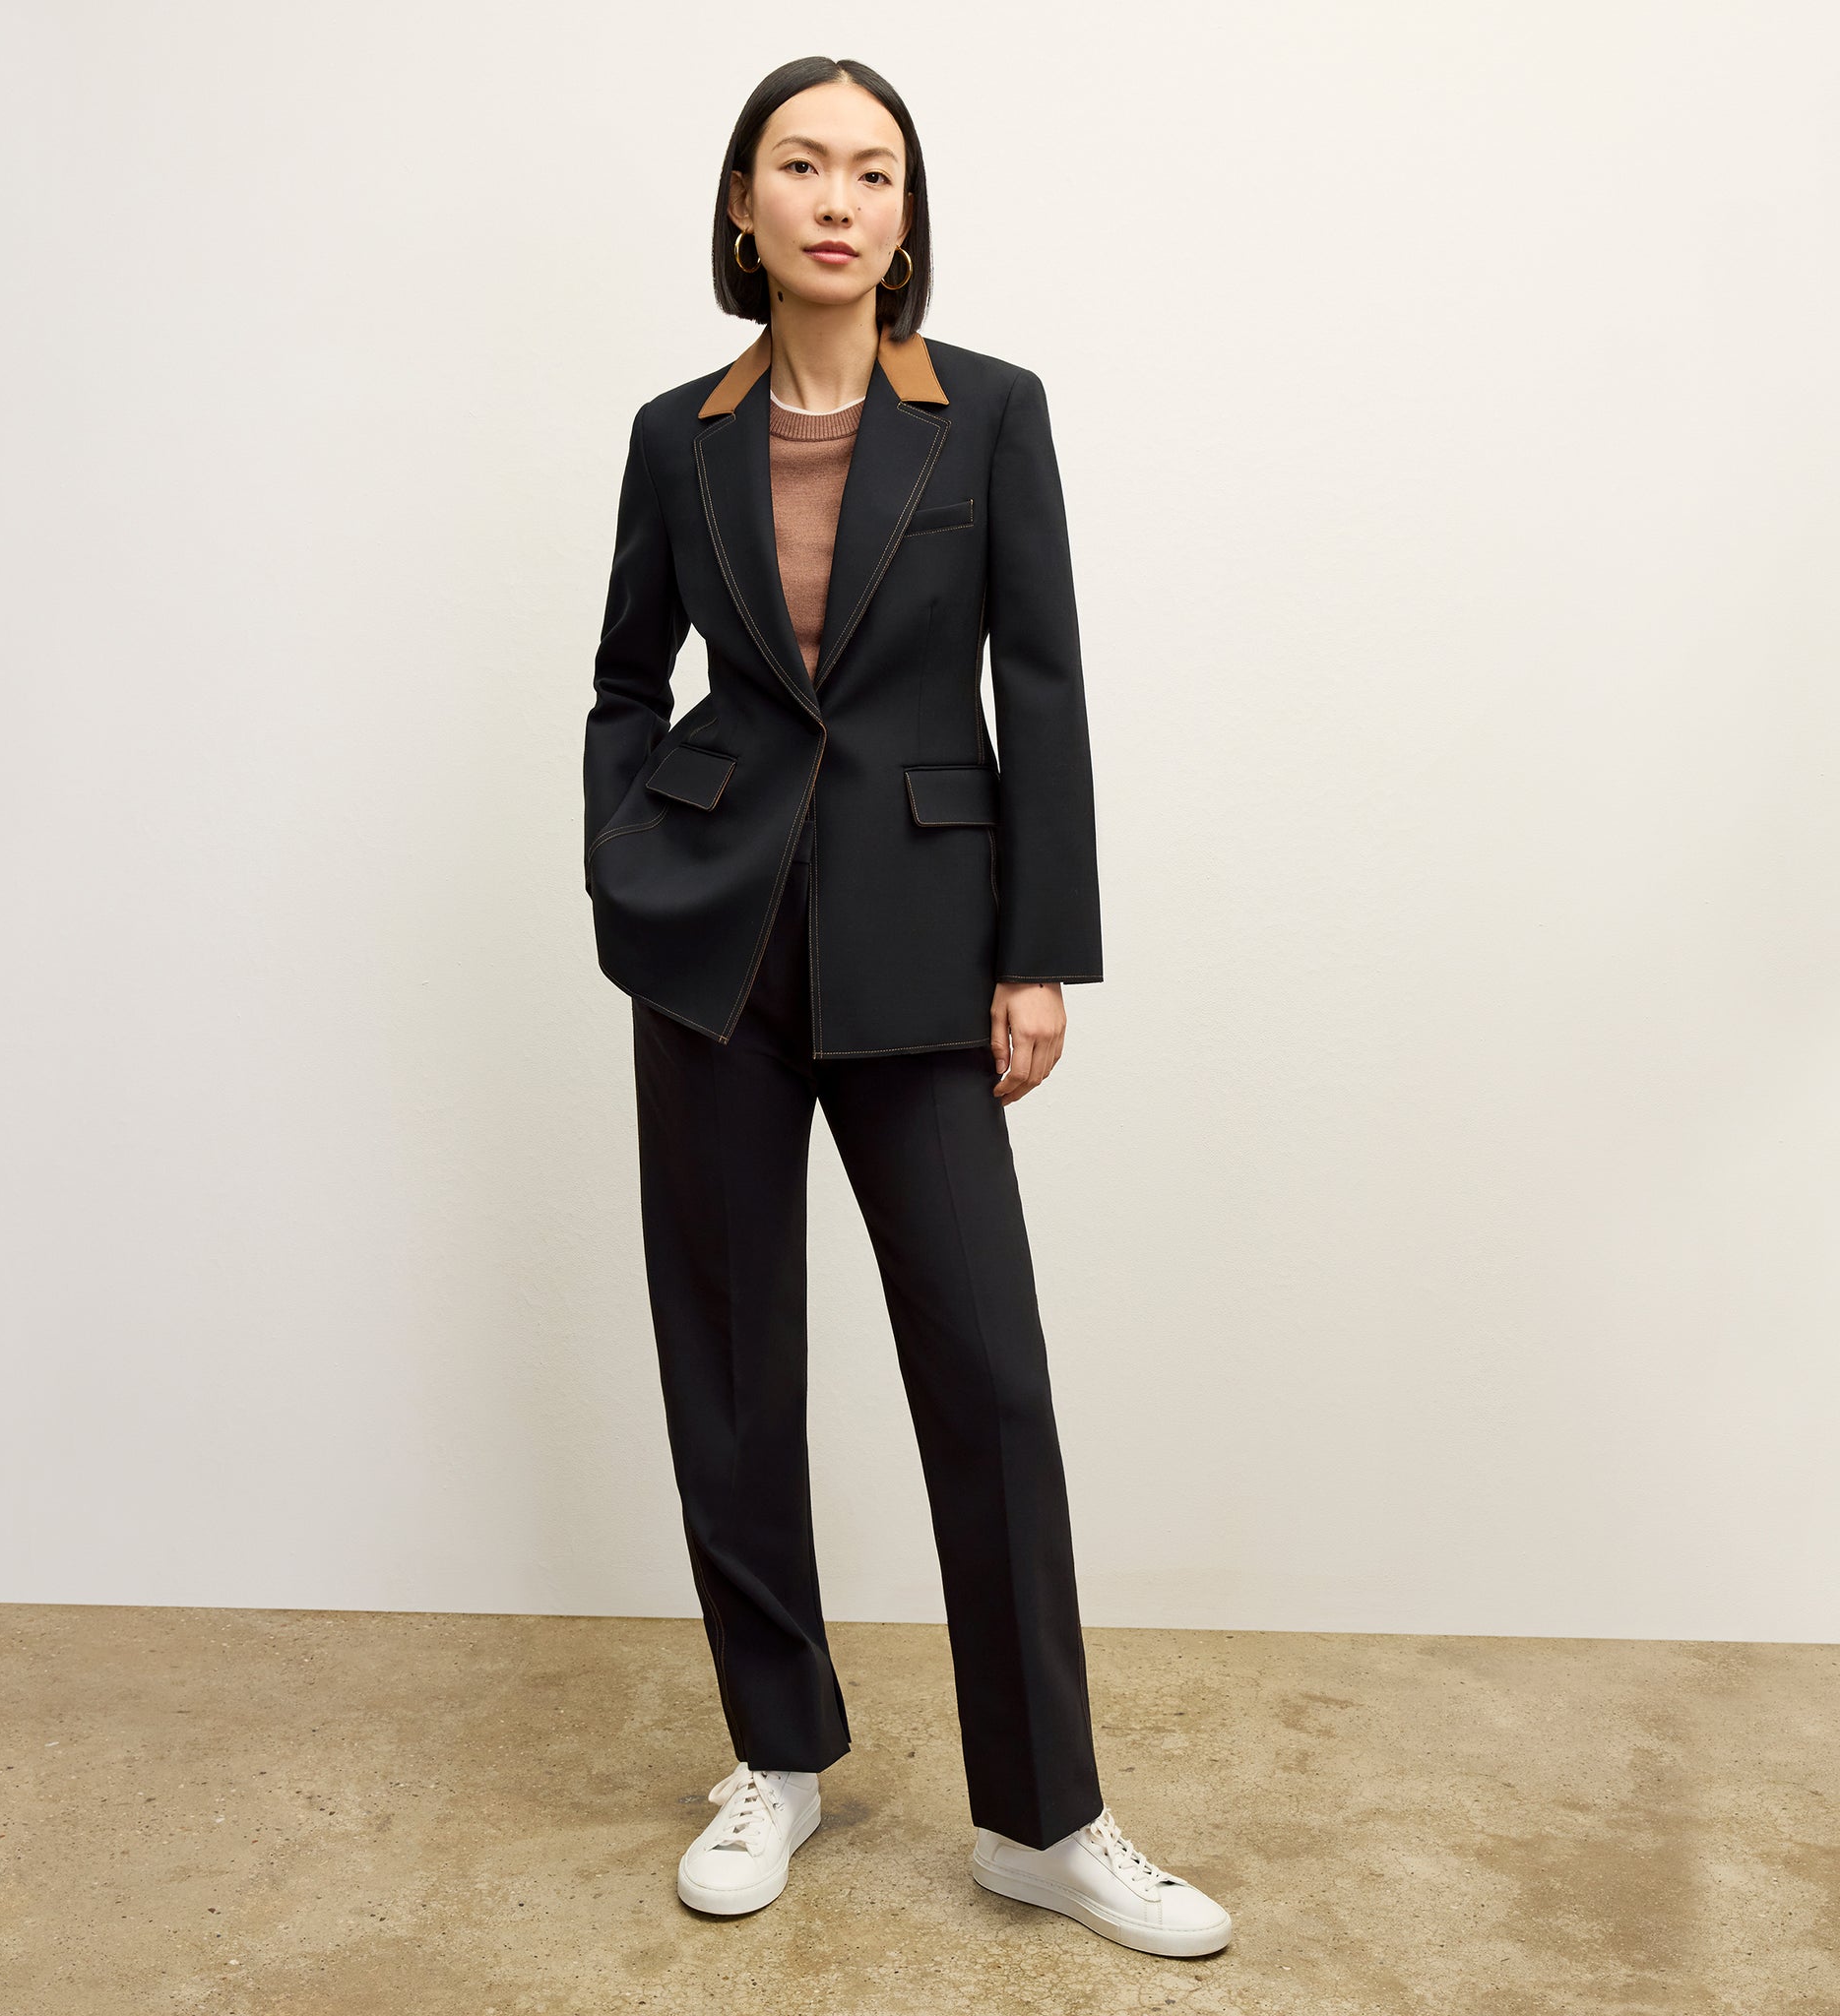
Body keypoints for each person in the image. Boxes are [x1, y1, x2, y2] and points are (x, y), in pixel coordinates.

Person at [580, 54, 1233, 1961]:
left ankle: (1046, 1815)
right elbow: (626, 674)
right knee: (727, 1363)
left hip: (920, 940)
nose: (837, 198)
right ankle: (773, 1755)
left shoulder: (990, 418)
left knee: (988, 1376)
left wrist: (1039, 947)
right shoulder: (670, 433)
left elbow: (1046, 683)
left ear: (906, 218)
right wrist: (625, 865)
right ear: (742, 208)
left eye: (872, 170)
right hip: (709, 950)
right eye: (801, 165)